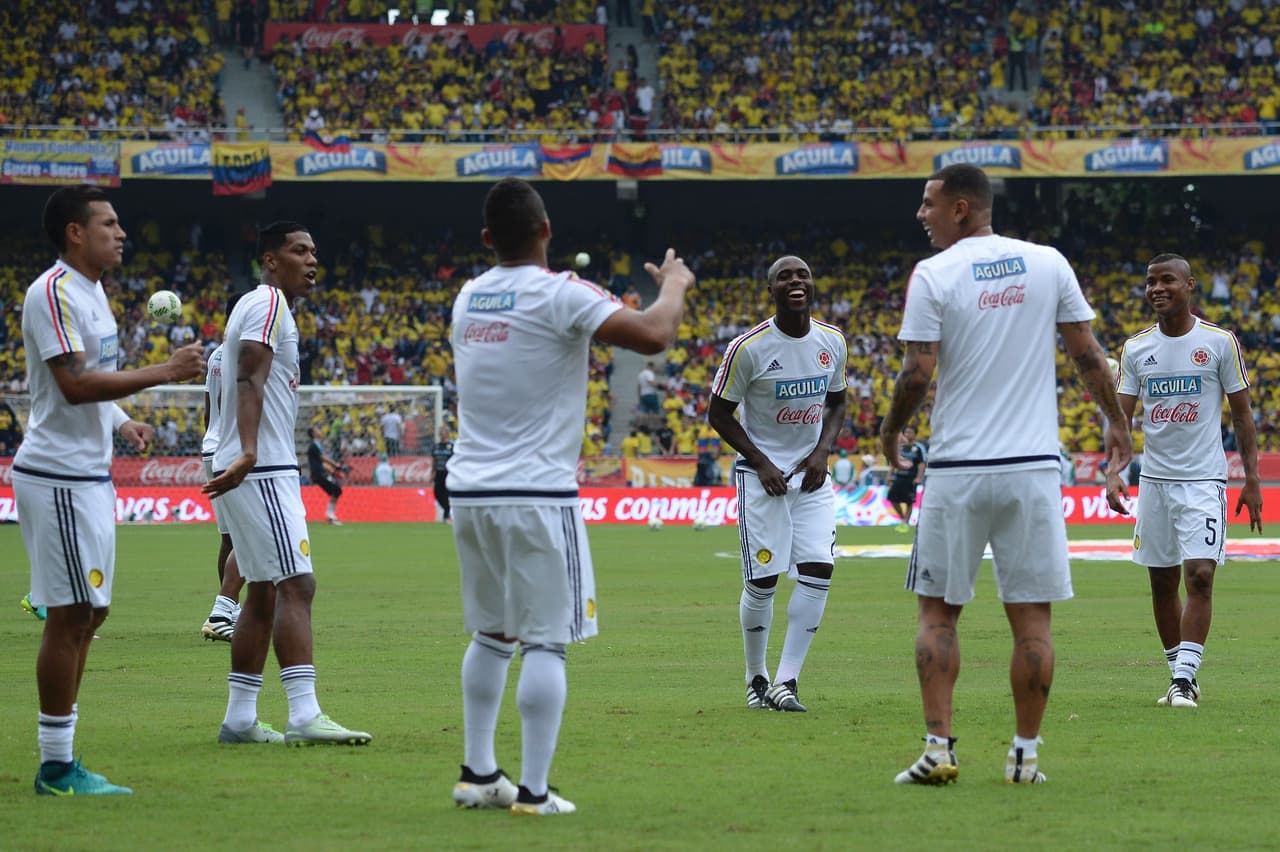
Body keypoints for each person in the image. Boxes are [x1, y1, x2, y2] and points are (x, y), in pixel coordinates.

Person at [448, 177, 693, 815]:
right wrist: (676, 284)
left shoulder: (469, 297)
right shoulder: (561, 293)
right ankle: (533, 791)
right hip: (537, 491)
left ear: (485, 239)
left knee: (490, 634)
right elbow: (654, 334)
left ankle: (477, 776)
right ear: (547, 232)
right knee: (546, 641)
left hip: (470, 489)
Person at [880, 164, 1130, 786]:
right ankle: (1025, 756)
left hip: (959, 468)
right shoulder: (1048, 263)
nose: (922, 214)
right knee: (1033, 621)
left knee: (937, 615)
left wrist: (890, 431)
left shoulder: (934, 274)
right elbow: (1089, 355)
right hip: (1032, 469)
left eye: (928, 203)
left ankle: (939, 749)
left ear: (961, 208)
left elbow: (917, 373)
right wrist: (1118, 422)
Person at [17, 185, 205, 795]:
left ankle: (63, 758)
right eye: (109, 223)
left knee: (91, 613)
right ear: (76, 232)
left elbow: (92, 381)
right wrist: (165, 372)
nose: (122, 232)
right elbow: (72, 385)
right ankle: (55, 766)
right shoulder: (52, 292)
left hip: (89, 474)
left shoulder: (96, 293)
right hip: (58, 475)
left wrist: (125, 421)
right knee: (71, 616)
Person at [203, 221, 371, 747]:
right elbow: (251, 377)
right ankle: (304, 712)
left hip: (247, 461)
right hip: (264, 467)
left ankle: (239, 719)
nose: (312, 260)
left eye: (314, 251)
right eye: (300, 250)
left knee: (264, 591)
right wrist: (251, 451)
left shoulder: (258, 306)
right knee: (297, 583)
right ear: (271, 259)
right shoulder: (269, 303)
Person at [1115, 253, 1263, 709]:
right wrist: (1112, 470)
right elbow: (1119, 417)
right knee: (1162, 584)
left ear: (1190, 285)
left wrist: (1251, 478)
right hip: (1154, 484)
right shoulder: (1136, 348)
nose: (1157, 288)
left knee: (1199, 576)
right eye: (1150, 281)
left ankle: (1184, 678)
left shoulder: (1219, 343)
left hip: (1203, 481)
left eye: (1167, 280)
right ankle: (1177, 670)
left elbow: (1241, 414)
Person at [707, 255, 848, 715]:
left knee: (819, 569)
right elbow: (718, 414)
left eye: (802, 274)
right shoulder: (748, 348)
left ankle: (787, 681)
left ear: (812, 285)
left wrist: (823, 450)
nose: (795, 281)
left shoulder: (832, 341)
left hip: (811, 476)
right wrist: (761, 461)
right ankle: (756, 678)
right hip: (760, 477)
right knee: (763, 580)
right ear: (770, 290)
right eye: (784, 277)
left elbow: (837, 402)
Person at [201, 291, 249, 643]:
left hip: (212, 448)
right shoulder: (243, 352)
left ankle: (228, 608)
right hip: (235, 450)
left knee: (229, 537)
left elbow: (209, 404)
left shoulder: (216, 355)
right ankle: (224, 610)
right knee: (249, 535)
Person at [887, 424, 927, 531]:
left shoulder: (919, 448)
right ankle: (903, 518)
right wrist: (889, 475)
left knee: (910, 501)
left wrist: (919, 477)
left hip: (911, 478)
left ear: (915, 434)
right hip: (899, 476)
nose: (907, 434)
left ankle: (905, 521)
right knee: (892, 498)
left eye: (910, 432)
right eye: (906, 432)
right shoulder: (900, 447)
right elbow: (893, 462)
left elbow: (922, 464)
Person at [306, 425, 345, 525]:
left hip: (320, 473)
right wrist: (335, 464)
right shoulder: (314, 446)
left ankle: (330, 516)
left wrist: (332, 470)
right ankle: (330, 516)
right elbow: (323, 458)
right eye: (317, 429)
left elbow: (321, 462)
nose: (320, 431)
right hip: (318, 474)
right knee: (337, 490)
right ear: (314, 434)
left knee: (336, 491)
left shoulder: (317, 445)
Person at [432, 424, 454, 521]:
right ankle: (447, 510)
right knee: (437, 493)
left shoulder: (452, 446)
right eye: (440, 431)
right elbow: (434, 460)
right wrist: (432, 472)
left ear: (447, 433)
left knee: (446, 493)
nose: (441, 433)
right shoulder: (436, 446)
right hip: (439, 473)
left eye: (443, 431)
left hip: (448, 473)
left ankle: (446, 515)